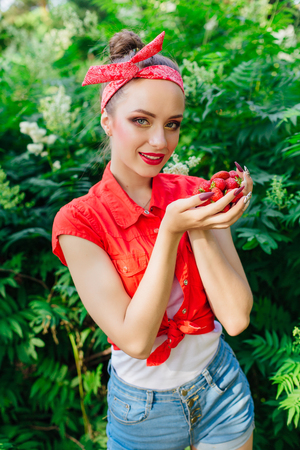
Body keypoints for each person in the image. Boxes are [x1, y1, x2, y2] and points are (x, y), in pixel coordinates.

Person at [52, 30, 255, 450]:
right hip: (142, 413)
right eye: (140, 121)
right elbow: (137, 341)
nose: (160, 141)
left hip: (221, 389)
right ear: (107, 121)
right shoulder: (80, 222)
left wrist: (202, 225)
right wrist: (170, 230)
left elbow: (235, 318)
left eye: (172, 124)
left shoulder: (195, 193)